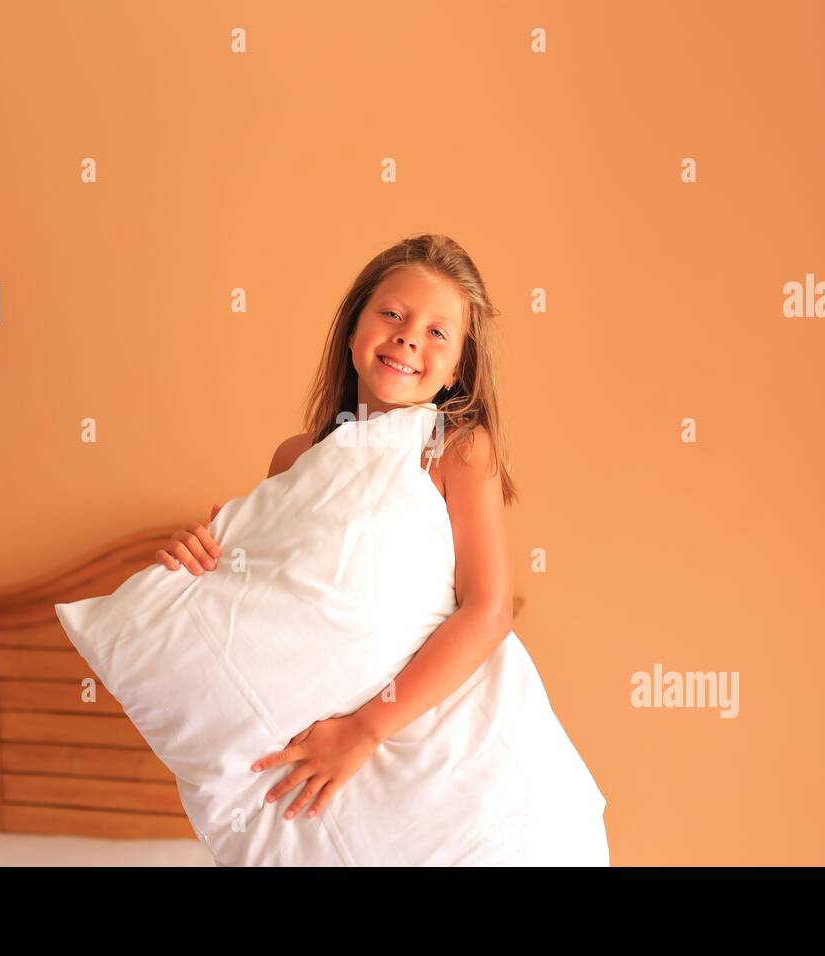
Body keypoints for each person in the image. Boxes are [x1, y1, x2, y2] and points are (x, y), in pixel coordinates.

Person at [155, 234, 609, 865]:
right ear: (354, 327)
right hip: (342, 760)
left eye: (437, 332)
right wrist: (203, 558)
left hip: (447, 743)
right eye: (392, 315)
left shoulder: (455, 448)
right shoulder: (297, 457)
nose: (408, 337)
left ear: (457, 369)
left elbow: (487, 611)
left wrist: (365, 731)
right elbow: (282, 597)